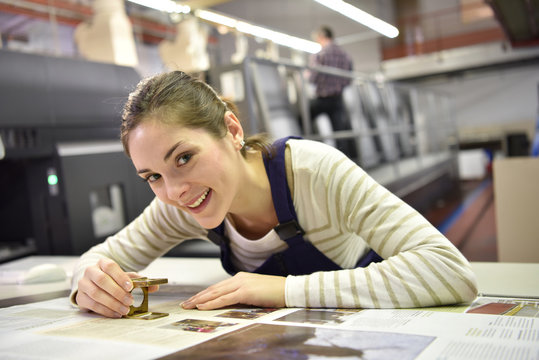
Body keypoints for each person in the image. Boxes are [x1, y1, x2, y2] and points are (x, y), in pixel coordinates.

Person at [71, 71, 478, 318]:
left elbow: (449, 271)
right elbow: (98, 259)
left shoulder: (314, 172)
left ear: (232, 131)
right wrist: (88, 282)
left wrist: (282, 292)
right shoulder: (177, 205)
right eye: (151, 176)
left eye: (184, 158)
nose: (174, 191)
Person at [309, 25, 357, 159]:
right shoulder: (344, 55)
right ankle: (346, 161)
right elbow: (349, 78)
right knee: (340, 132)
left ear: (322, 36)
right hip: (338, 98)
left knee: (303, 118)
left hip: (323, 99)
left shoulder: (320, 55)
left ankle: (313, 153)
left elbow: (312, 78)